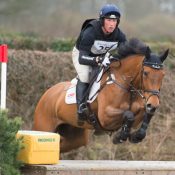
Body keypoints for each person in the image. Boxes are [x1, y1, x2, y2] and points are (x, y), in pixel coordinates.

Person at [72, 4, 127, 122]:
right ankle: (81, 108)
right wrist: (98, 60)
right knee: (85, 76)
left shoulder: (119, 35)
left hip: (101, 56)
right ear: (102, 21)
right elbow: (82, 58)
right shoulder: (90, 32)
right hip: (82, 55)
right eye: (108, 20)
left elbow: (126, 54)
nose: (112, 24)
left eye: (114, 20)